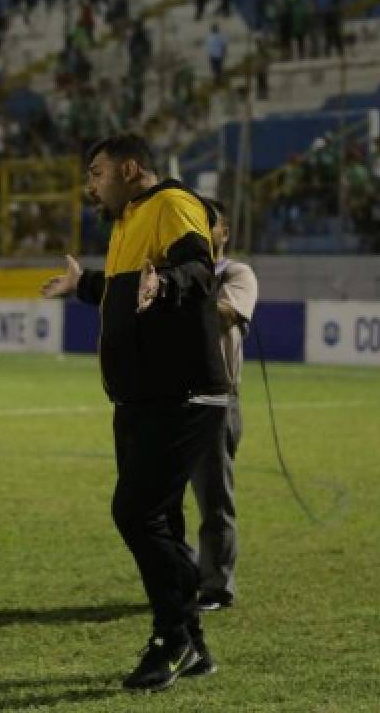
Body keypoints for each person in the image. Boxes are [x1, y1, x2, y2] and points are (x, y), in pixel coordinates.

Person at [42, 134, 228, 692]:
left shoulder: (172, 204)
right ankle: (191, 643)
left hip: (183, 394)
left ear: (128, 167)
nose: (90, 184)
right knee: (161, 519)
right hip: (142, 399)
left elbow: (197, 267)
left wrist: (167, 280)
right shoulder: (129, 218)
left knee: (136, 513)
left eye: (96, 172)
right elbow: (129, 294)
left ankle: (169, 639)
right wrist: (85, 285)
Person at [192, 199, 258, 613]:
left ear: (224, 233)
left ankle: (217, 586)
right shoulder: (174, 273)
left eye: (207, 225)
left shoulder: (236, 273)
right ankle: (185, 575)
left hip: (217, 398)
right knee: (154, 502)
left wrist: (181, 289)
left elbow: (228, 315)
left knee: (214, 500)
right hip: (173, 398)